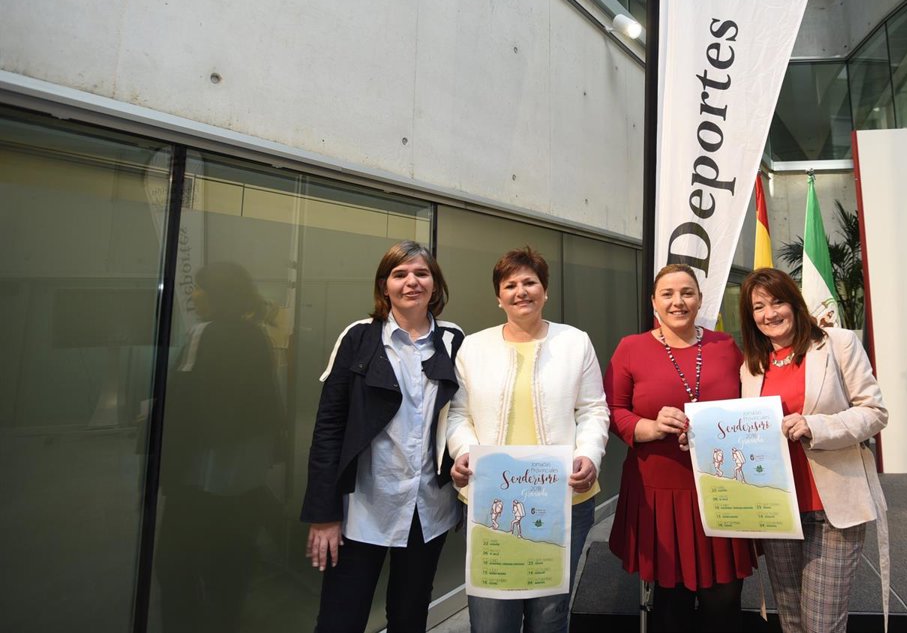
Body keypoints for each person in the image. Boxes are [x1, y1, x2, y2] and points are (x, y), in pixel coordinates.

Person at [301, 241, 465, 633]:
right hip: (363, 509)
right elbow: (329, 428)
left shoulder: (454, 340)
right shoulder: (358, 338)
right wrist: (324, 513)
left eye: (421, 273)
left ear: (435, 284)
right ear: (384, 286)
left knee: (409, 618)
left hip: (427, 509)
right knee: (340, 620)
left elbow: (464, 414)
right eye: (400, 274)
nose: (412, 282)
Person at [448, 246, 609, 633]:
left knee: (549, 615)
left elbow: (593, 409)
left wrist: (589, 455)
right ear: (498, 296)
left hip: (564, 497)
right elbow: (458, 414)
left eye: (530, 282)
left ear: (545, 291)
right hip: (491, 499)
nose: (521, 291)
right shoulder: (473, 347)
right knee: (491, 618)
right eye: (510, 285)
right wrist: (464, 452)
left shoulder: (574, 342)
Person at [605, 264, 756, 632]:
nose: (678, 301)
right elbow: (612, 411)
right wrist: (651, 427)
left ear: (700, 300)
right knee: (670, 604)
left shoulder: (725, 346)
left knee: (724, 599)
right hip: (659, 492)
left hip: (722, 487)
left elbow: (750, 404)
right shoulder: (631, 348)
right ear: (653, 302)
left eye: (687, 293)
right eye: (668, 294)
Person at [738, 268, 889, 633]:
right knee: (791, 622)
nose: (769, 314)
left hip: (832, 509)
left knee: (821, 625)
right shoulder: (751, 367)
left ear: (794, 302)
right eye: (758, 307)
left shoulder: (837, 344)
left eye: (777, 302)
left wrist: (814, 426)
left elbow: (875, 412)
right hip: (779, 509)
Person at [157, 261, 284, 633]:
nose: (194, 294)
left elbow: (183, 399)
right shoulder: (256, 335)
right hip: (243, 468)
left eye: (200, 287)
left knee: (177, 560)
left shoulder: (204, 333)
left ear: (218, 294)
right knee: (229, 558)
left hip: (202, 469)